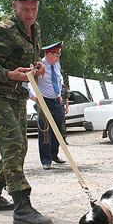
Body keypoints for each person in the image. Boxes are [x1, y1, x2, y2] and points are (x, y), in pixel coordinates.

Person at [0, 0, 53, 224]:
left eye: (34, 8)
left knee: (19, 147)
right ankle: (22, 207)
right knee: (13, 146)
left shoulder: (35, 28)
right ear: (14, 7)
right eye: (25, 9)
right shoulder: (3, 31)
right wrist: (11, 74)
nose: (30, 14)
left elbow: (32, 58)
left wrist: (38, 67)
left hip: (16, 93)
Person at [37, 41, 66, 170]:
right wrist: (34, 96)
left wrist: (59, 94)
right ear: (49, 54)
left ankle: (54, 155)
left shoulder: (56, 65)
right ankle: (46, 160)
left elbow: (59, 80)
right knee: (45, 132)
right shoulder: (40, 65)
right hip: (44, 101)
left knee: (58, 130)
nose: (58, 58)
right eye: (56, 56)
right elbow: (28, 82)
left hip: (56, 101)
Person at [60, 71, 70, 145]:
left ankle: (63, 138)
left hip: (61, 107)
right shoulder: (52, 86)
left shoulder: (63, 87)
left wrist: (67, 107)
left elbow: (66, 98)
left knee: (63, 124)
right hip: (53, 106)